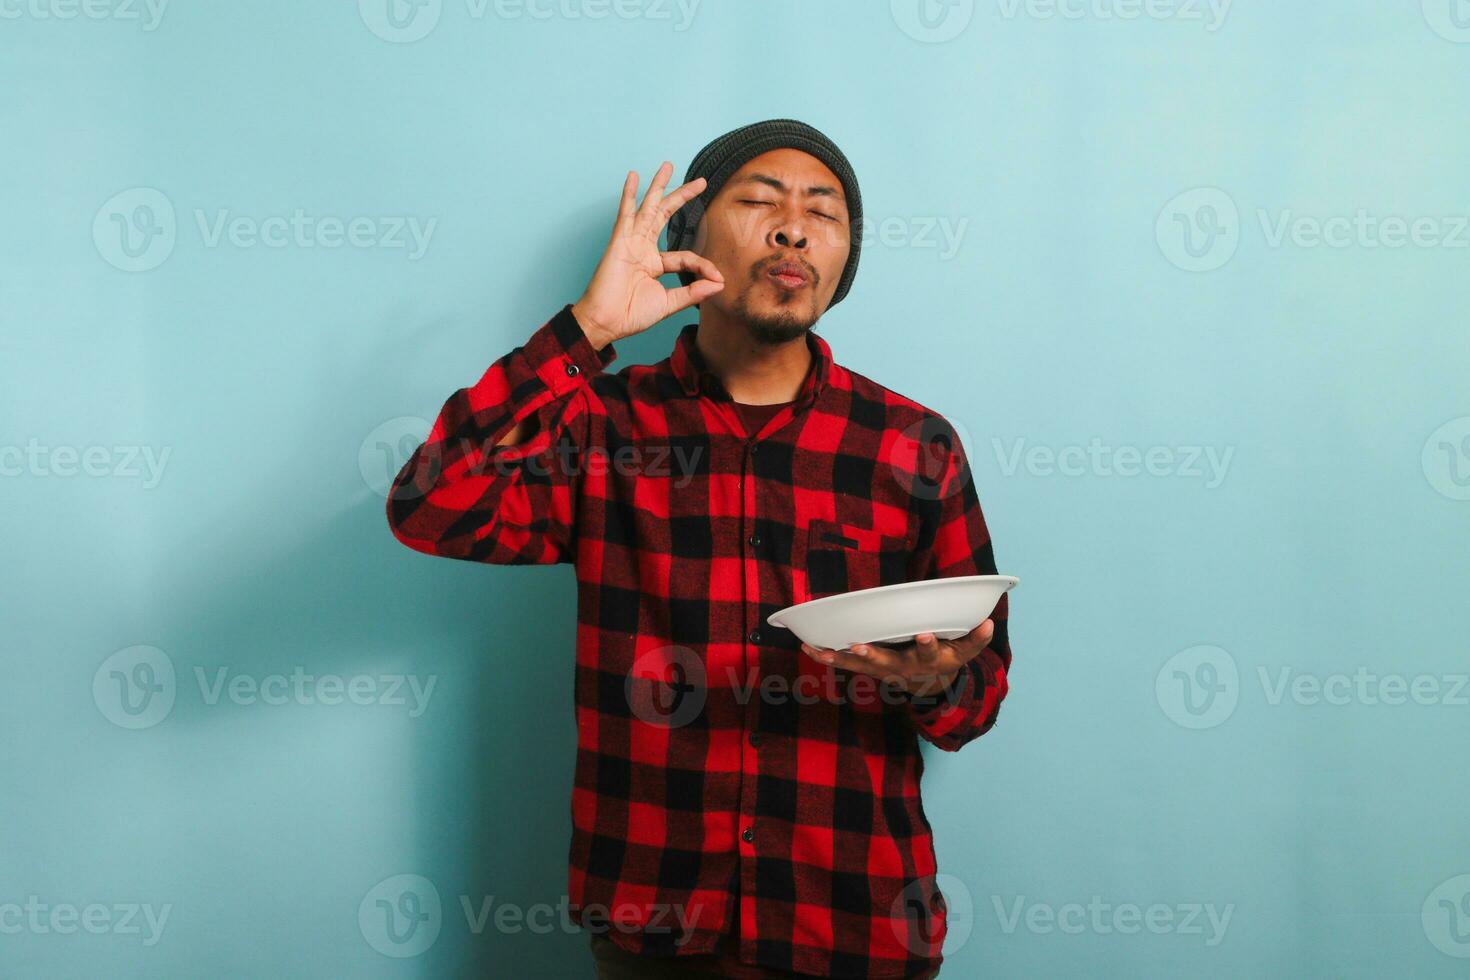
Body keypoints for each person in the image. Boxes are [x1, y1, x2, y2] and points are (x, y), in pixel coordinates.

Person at [386, 119, 1012, 979]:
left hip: (853, 920)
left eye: (823, 213)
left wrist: (934, 680)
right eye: (758, 202)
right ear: (691, 240)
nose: (792, 227)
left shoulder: (912, 445)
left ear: (841, 264)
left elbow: (978, 696)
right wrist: (589, 329)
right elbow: (430, 504)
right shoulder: (604, 427)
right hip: (654, 927)